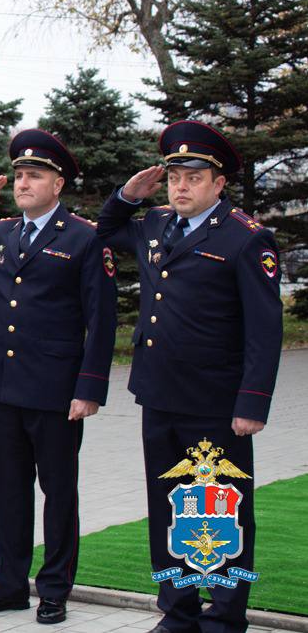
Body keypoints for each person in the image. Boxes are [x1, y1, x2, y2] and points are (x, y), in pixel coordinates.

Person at [97, 121, 283, 633]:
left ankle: (224, 617)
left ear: (218, 184)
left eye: (193, 178)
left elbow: (265, 330)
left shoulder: (246, 238)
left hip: (215, 401)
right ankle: (177, 612)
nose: (181, 187)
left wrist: (252, 403)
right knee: (168, 508)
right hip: (159, 394)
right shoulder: (156, 223)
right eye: (175, 177)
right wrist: (126, 196)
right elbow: (105, 232)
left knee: (221, 509)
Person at [0, 129, 117, 625]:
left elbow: (101, 320)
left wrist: (89, 388)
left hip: (55, 389)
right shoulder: (0, 233)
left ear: (58, 184)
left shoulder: (83, 237)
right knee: (7, 492)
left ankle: (54, 589)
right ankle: (8, 585)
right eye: (19, 176)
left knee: (58, 494)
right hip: (2, 384)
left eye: (34, 175)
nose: (23, 184)